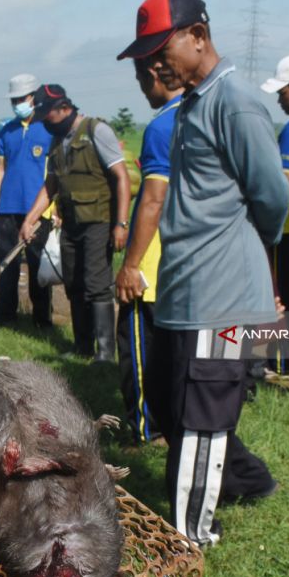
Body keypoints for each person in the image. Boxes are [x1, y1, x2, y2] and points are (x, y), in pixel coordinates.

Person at [117, 0, 288, 547]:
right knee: (177, 403)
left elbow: (270, 196)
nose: (154, 62)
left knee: (203, 416)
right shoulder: (190, 106)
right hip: (183, 289)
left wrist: (248, 257)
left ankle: (190, 536)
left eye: (161, 48)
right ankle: (248, 482)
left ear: (198, 35)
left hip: (219, 290)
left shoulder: (234, 101)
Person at [19, 84, 132, 359]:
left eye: (48, 116)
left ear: (64, 108)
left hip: (98, 223)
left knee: (96, 285)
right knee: (74, 285)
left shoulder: (97, 131)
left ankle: (104, 354)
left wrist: (121, 224)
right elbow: (51, 185)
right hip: (70, 225)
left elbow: (122, 177)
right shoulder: (58, 141)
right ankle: (82, 347)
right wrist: (30, 220)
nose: (45, 122)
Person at [113, 58, 182, 443]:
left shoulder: (162, 126)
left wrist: (131, 264)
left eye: (142, 79)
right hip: (185, 262)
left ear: (156, 74)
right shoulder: (202, 116)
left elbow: (153, 200)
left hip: (152, 261)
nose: (142, 89)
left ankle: (145, 428)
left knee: (139, 349)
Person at [0, 73, 55, 327]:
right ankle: (6, 315)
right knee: (6, 265)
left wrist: (54, 208)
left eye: (21, 99)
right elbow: (0, 169)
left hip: (37, 210)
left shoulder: (48, 128)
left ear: (34, 98)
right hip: (8, 207)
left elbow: (54, 171)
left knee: (38, 266)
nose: (17, 104)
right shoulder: (6, 131)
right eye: (13, 100)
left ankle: (41, 318)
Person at [260, 55, 289, 381]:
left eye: (283, 91)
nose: (279, 98)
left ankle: (283, 363)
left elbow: (284, 181)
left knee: (284, 294)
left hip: (287, 224)